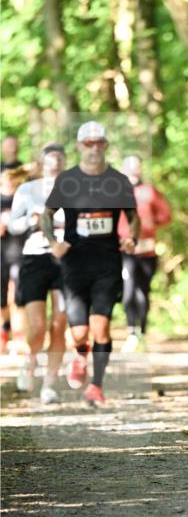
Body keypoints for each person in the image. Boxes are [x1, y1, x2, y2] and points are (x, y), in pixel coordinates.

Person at [41, 121, 139, 406]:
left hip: (107, 263)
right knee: (79, 333)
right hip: (74, 265)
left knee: (101, 328)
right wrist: (53, 242)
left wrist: (131, 237)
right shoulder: (68, 180)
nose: (94, 148)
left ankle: (96, 385)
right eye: (88, 143)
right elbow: (47, 215)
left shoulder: (118, 181)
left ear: (106, 145)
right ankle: (80, 355)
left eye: (99, 143)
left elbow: (133, 217)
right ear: (80, 146)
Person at [9, 144, 68, 402]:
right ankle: (30, 360)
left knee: (60, 323)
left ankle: (49, 383)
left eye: (59, 162)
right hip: (35, 258)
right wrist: (31, 220)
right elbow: (12, 225)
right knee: (37, 326)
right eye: (50, 162)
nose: (54, 167)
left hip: (65, 261)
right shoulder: (27, 190)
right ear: (42, 164)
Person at [118, 155, 171, 352]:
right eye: (129, 167)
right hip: (126, 251)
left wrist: (150, 223)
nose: (133, 170)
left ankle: (143, 331)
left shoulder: (149, 191)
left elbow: (165, 215)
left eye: (136, 166)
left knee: (143, 291)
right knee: (128, 290)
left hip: (147, 251)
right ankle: (131, 331)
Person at [1, 164, 31, 352]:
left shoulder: (23, 199)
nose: (10, 183)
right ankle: (4, 330)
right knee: (2, 296)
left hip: (20, 252)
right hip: (1, 253)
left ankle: (19, 335)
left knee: (19, 295)